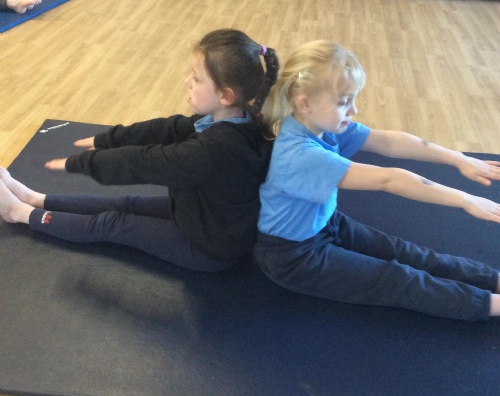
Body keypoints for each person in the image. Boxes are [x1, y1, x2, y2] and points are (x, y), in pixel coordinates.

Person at [254, 39, 500, 321]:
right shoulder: (300, 155)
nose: (354, 110)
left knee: (407, 253)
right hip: (293, 257)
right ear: (305, 103)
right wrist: (465, 199)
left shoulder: (319, 124)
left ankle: (493, 280)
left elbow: (390, 142)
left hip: (324, 223)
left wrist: (458, 158)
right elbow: (389, 179)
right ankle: (491, 304)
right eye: (344, 102)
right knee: (399, 280)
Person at [0, 29, 280, 272]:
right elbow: (167, 128)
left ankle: (19, 213)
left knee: (112, 223)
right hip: (203, 214)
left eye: (196, 79)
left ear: (226, 95)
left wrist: (83, 163)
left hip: (208, 248)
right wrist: (108, 139)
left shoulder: (214, 150)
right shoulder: (241, 117)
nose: (187, 81)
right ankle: (35, 199)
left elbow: (144, 162)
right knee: (128, 203)